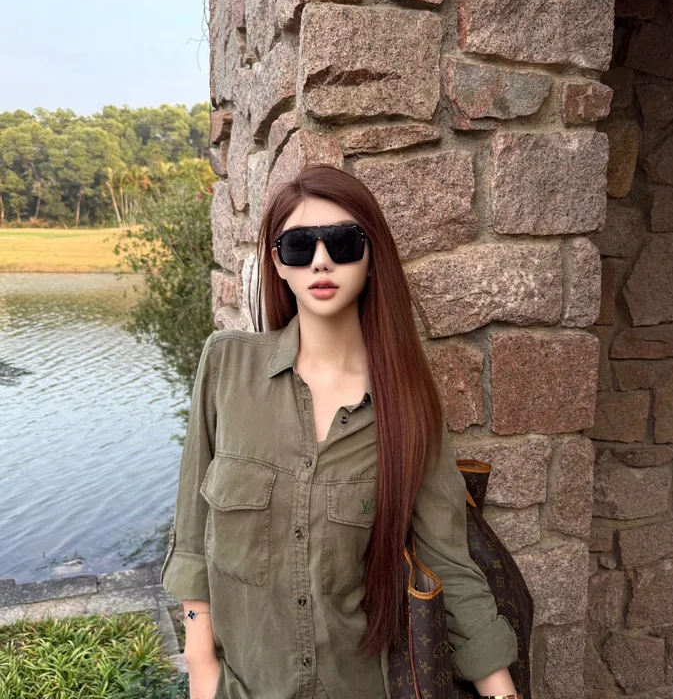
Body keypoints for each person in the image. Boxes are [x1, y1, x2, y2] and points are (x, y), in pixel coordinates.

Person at [161, 163, 521, 699]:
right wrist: (200, 666)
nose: (321, 260)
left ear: (372, 257)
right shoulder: (226, 367)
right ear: (278, 263)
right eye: (299, 246)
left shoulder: (409, 407)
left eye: (343, 242)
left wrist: (502, 691)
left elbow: (448, 560)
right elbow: (192, 537)